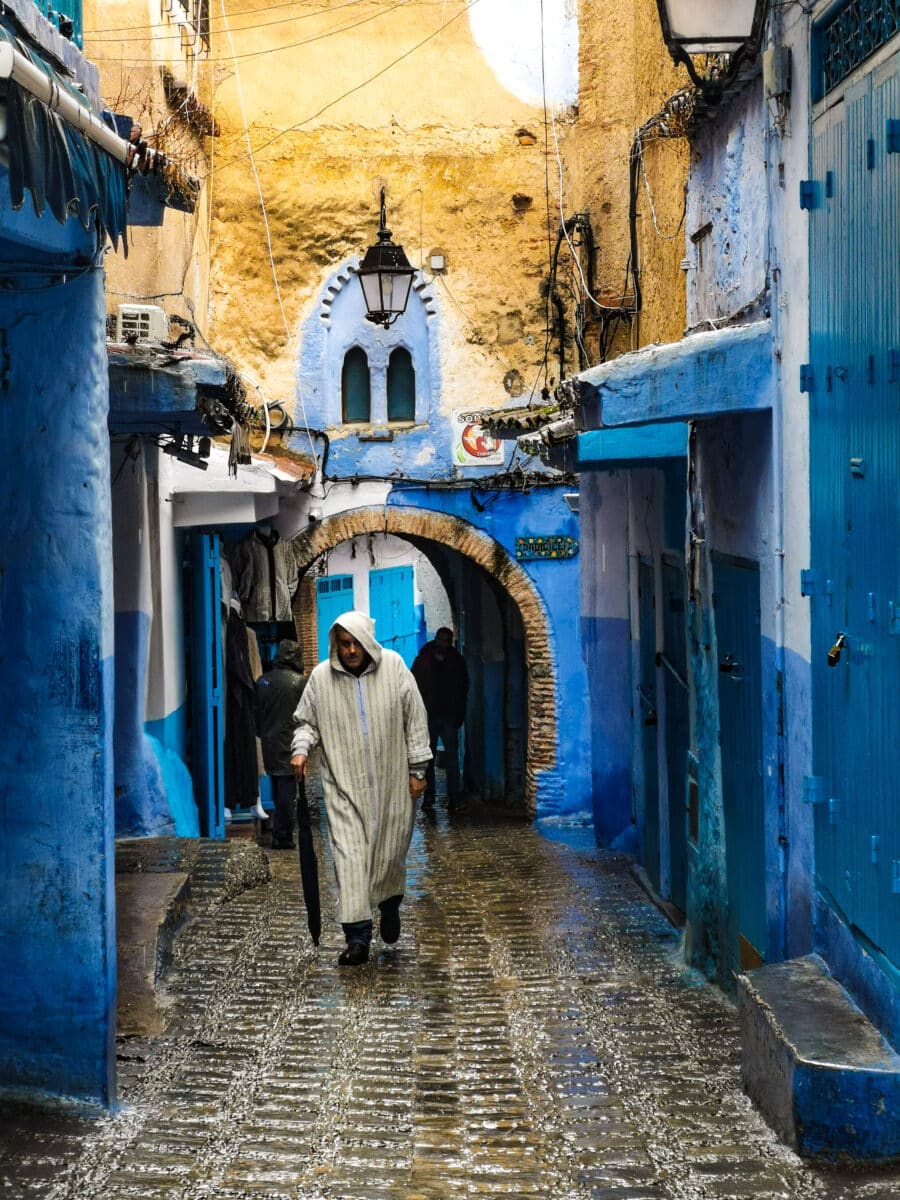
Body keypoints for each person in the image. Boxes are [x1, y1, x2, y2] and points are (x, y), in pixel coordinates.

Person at [290, 611, 431, 966]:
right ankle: (357, 938)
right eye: (344, 644)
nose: (351, 650)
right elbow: (307, 722)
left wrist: (418, 769)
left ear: (368, 643)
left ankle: (390, 905)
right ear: (335, 645)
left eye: (356, 643)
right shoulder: (321, 679)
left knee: (389, 853)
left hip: (392, 783)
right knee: (349, 858)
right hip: (343, 787)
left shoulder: (395, 667)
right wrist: (301, 749)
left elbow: (415, 717)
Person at [255, 639, 308, 849]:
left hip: (268, 743)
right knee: (288, 792)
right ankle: (282, 836)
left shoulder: (262, 681)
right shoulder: (300, 683)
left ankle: (280, 830)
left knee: (279, 790)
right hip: (291, 745)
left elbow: (255, 714)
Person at [411, 627, 469, 808]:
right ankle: (429, 797)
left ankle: (454, 797)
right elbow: (414, 684)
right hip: (428, 716)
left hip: (449, 716)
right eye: (440, 640)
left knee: (452, 759)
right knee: (428, 758)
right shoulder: (424, 658)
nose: (443, 644)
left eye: (446, 641)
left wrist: (459, 714)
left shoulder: (456, 661)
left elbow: (463, 688)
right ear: (436, 639)